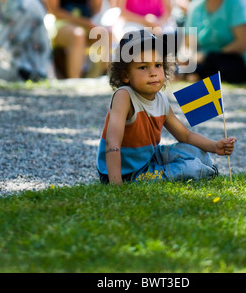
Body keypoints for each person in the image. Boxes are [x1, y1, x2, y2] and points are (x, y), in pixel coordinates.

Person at [96, 29, 236, 185]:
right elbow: (112, 142)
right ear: (125, 75)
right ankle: (204, 171)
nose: (153, 72)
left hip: (149, 157)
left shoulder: (161, 100)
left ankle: (204, 168)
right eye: (143, 67)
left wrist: (215, 146)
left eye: (158, 65)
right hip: (127, 171)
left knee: (195, 152)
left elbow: (185, 136)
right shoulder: (125, 96)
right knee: (190, 168)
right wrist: (116, 184)